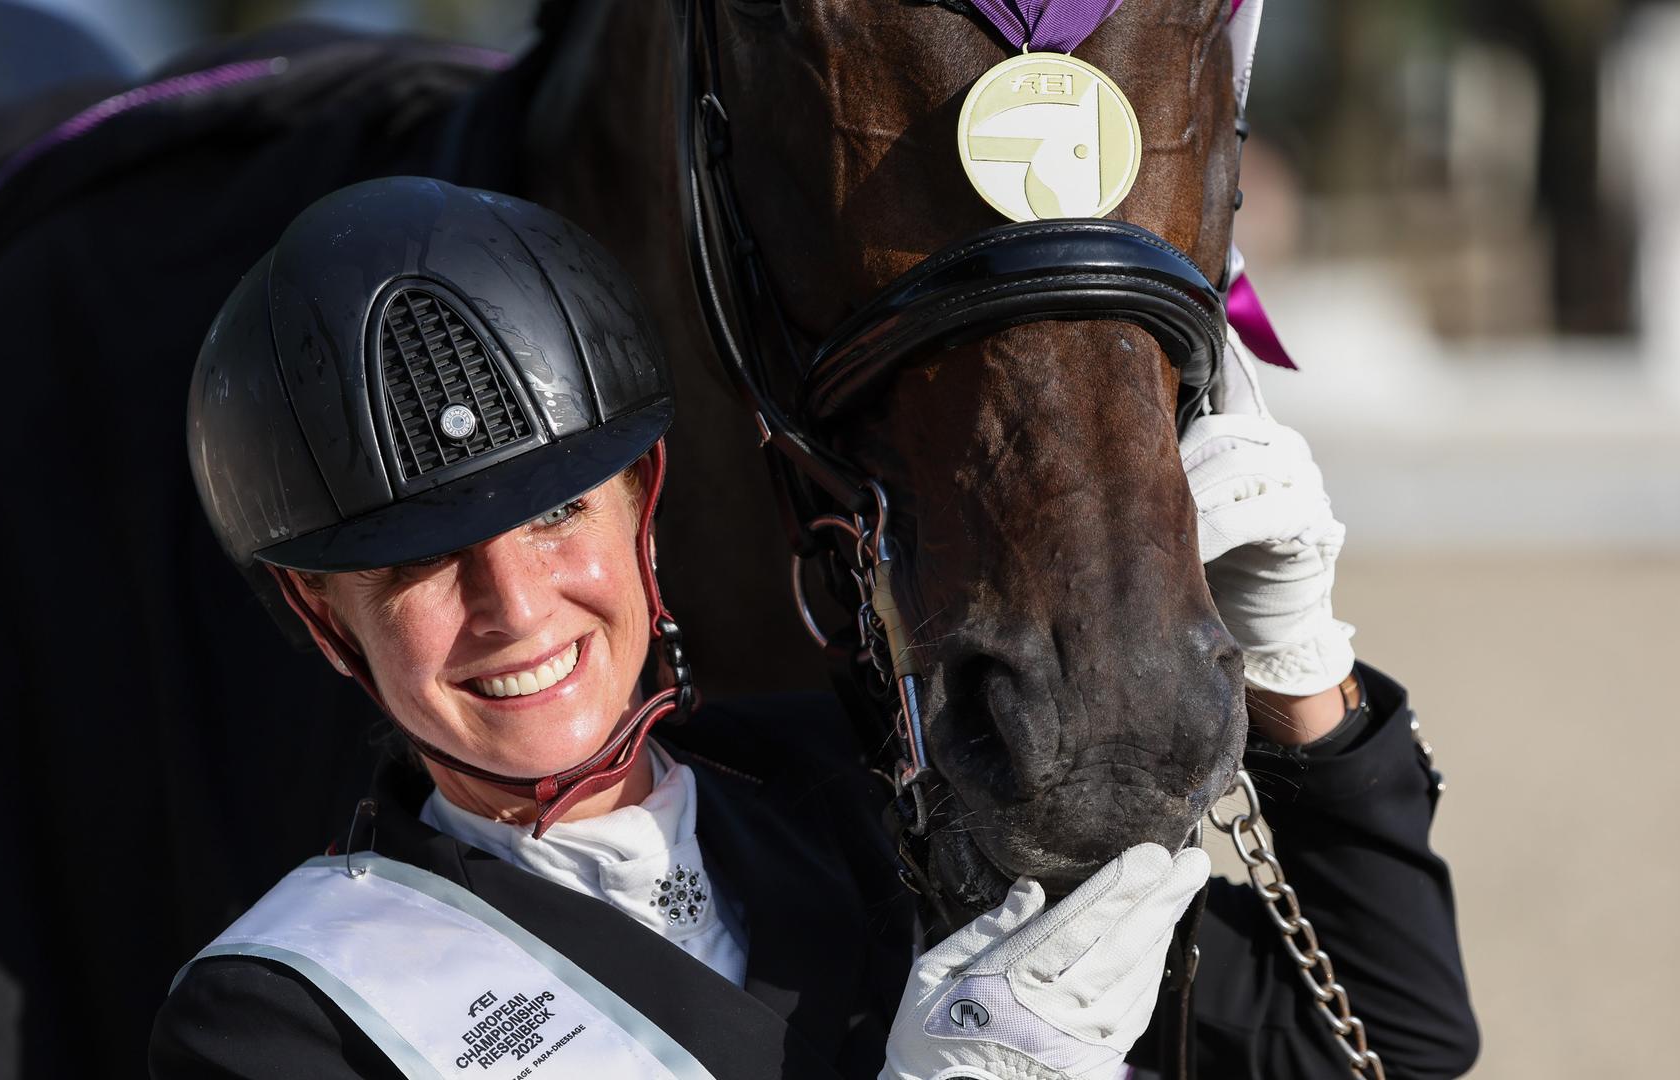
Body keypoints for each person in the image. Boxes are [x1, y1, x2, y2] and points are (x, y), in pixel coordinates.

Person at [153, 177, 1474, 1079]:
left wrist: (1302, 671)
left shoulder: (870, 789)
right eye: (422, 566)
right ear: (323, 618)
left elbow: (1383, 1036)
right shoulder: (285, 1017)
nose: (516, 607)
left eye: (558, 515)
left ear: (642, 506)